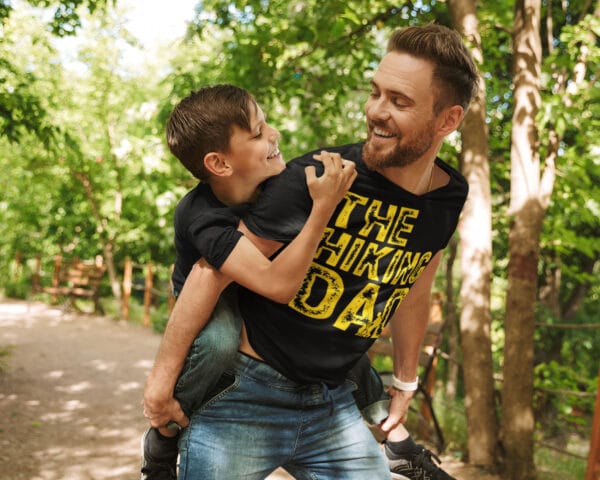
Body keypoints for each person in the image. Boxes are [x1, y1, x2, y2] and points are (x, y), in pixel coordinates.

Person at [145, 23, 478, 480]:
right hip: (246, 393)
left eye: (399, 102)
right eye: (375, 92)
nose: (376, 111)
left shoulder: (448, 196)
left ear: (448, 120)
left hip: (332, 405)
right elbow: (209, 274)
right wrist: (159, 390)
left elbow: (415, 287)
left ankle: (398, 447)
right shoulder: (318, 177)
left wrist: (405, 381)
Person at [140, 84, 357, 479]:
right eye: (257, 133)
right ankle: (164, 435)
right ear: (220, 164)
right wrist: (323, 207)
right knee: (219, 343)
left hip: (252, 282)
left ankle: (386, 426)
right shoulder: (202, 216)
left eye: (265, 124)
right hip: (214, 293)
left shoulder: (274, 184)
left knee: (329, 328)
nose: (273, 134)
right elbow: (274, 282)